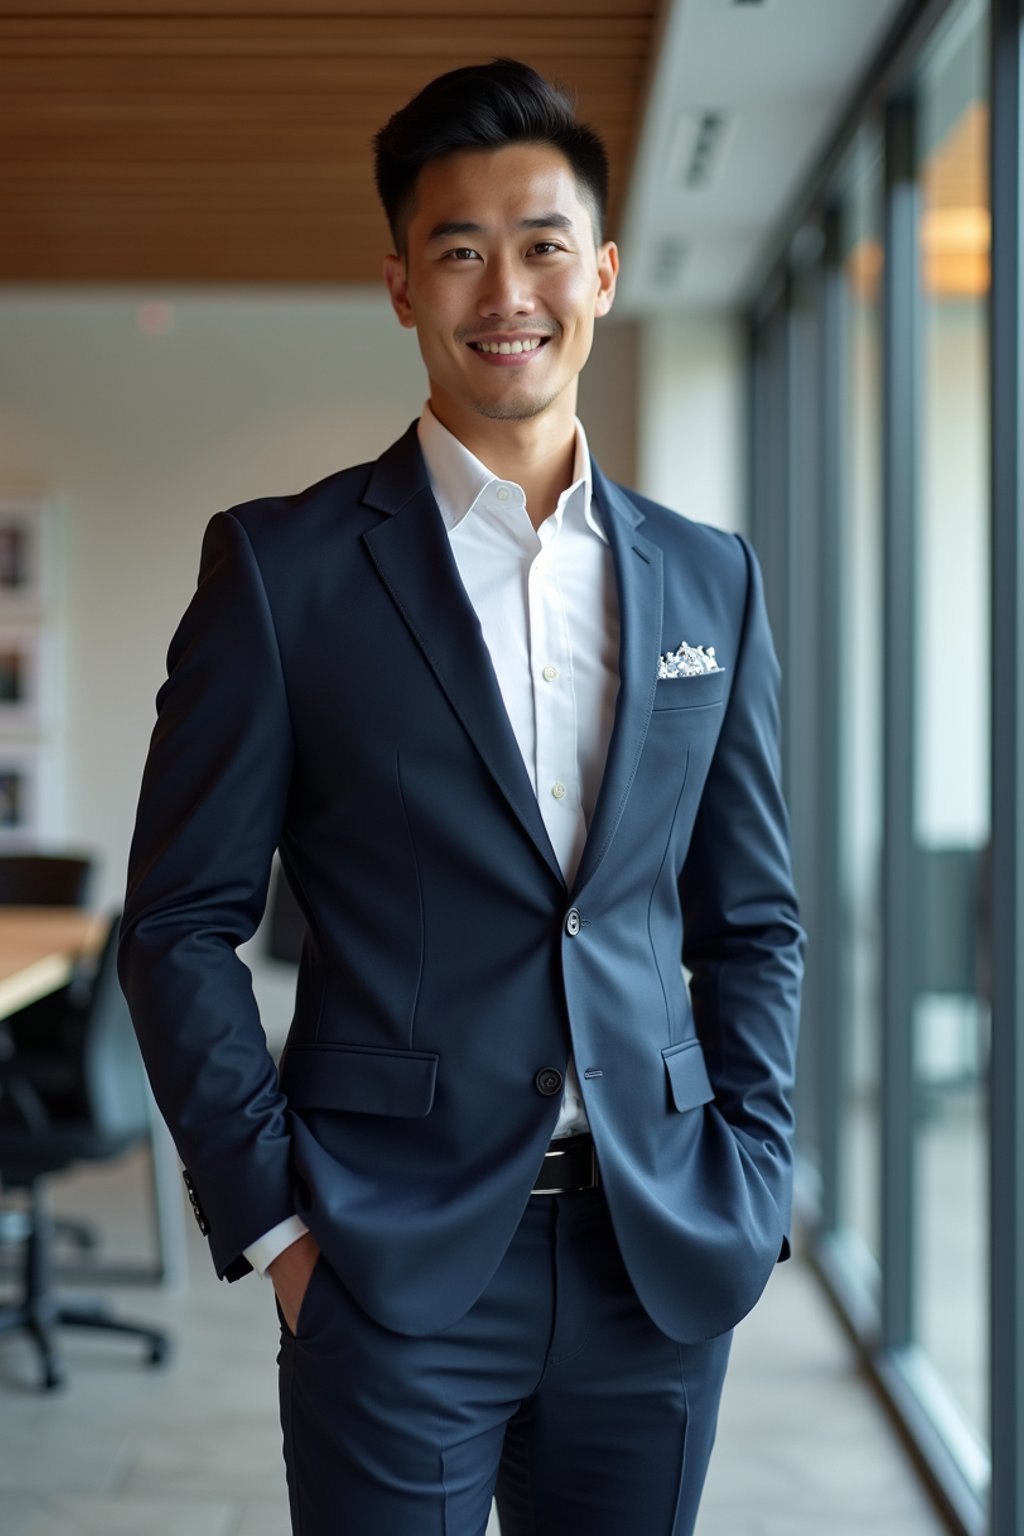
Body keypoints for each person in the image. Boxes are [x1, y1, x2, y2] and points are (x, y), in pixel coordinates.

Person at [119, 57, 803, 1536]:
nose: (508, 289)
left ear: (605, 273)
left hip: (658, 1250)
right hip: (389, 1261)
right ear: (400, 285)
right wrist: (284, 1231)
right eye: (459, 250)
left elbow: (750, 918)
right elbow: (178, 926)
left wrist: (752, 1171)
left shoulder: (711, 578)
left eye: (544, 244)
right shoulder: (282, 573)